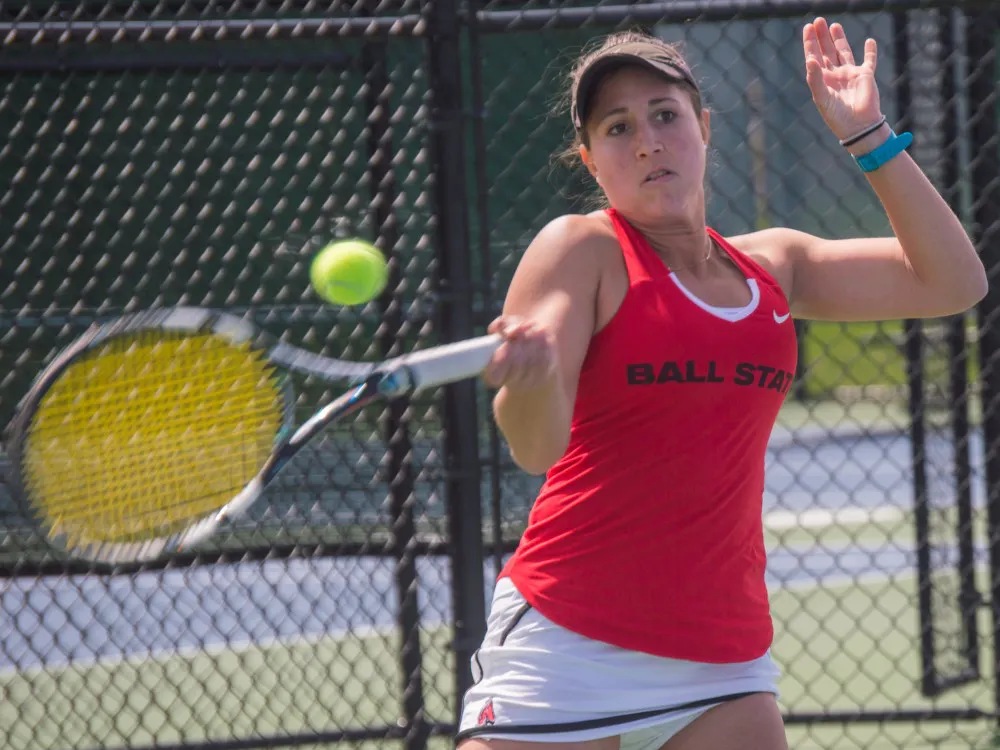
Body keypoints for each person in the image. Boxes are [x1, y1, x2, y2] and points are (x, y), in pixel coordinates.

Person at [457, 17, 987, 750]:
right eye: (617, 127)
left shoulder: (774, 266)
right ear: (590, 161)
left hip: (723, 658)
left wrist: (868, 135)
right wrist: (535, 377)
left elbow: (953, 282)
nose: (647, 140)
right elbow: (534, 447)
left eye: (665, 115)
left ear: (704, 128)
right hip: (568, 638)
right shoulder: (582, 249)